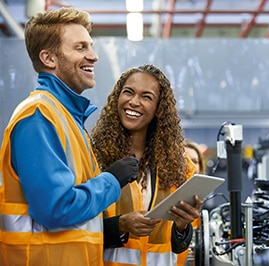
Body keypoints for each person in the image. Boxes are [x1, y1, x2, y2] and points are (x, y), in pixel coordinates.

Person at [0, 7, 138, 266]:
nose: (93, 56)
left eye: (91, 46)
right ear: (49, 58)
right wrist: (111, 181)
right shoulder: (39, 116)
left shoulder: (67, 118)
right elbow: (56, 208)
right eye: (80, 48)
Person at [91, 64, 203, 266]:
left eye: (146, 97)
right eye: (128, 92)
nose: (134, 102)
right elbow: (78, 225)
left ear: (159, 108)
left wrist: (181, 227)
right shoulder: (95, 157)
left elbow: (180, 246)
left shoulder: (179, 165)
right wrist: (121, 225)